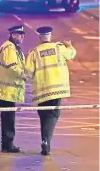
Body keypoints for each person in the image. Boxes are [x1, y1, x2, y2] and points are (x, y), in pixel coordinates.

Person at [25, 26, 76, 156]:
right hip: (57, 89)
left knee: (43, 117)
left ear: (39, 37)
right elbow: (71, 54)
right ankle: (46, 141)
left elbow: (28, 73)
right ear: (50, 36)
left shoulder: (34, 53)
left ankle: (45, 142)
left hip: (42, 92)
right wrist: (69, 46)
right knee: (53, 115)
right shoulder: (59, 48)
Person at [0, 25, 27, 153]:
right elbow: (13, 66)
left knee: (8, 117)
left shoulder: (13, 48)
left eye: (23, 34)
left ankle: (7, 143)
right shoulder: (9, 48)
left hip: (7, 89)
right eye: (19, 34)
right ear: (12, 35)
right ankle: (7, 144)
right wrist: (25, 75)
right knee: (8, 118)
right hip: (6, 89)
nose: (22, 36)